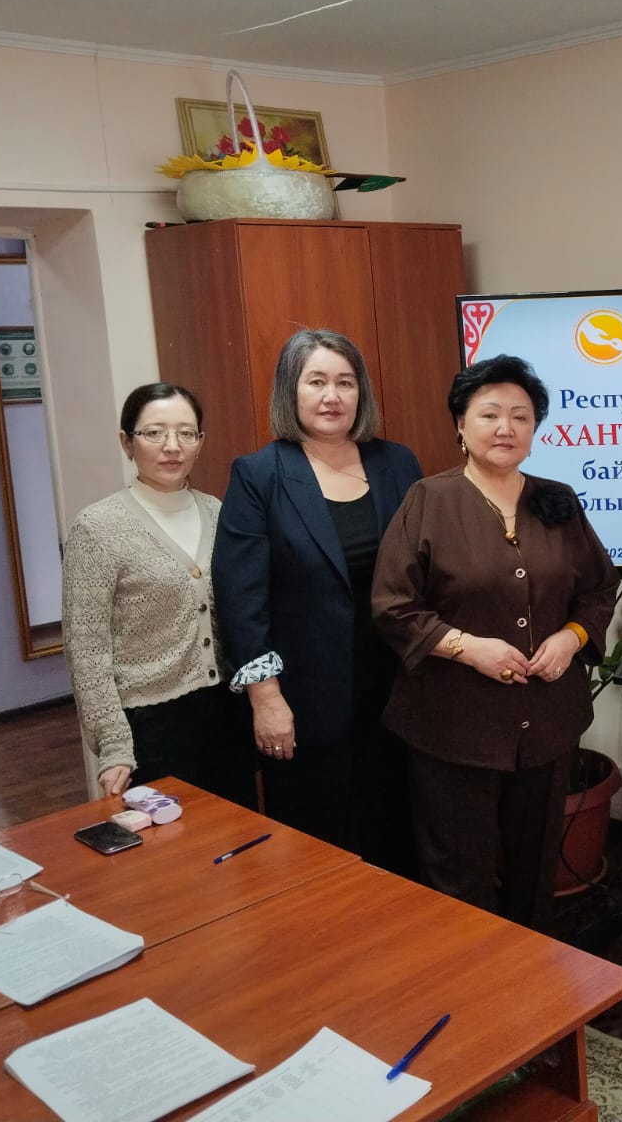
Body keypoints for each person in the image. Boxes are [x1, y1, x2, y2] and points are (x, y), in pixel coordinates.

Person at [372, 355, 617, 928]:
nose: (506, 428)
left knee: (535, 871)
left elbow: (599, 589)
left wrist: (571, 638)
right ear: (460, 423)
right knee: (460, 877)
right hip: (452, 726)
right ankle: (473, 975)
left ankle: (532, 971)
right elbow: (392, 606)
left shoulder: (557, 500)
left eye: (520, 416)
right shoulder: (428, 500)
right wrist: (465, 647)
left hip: (547, 722)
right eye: (489, 414)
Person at [214, 330, 422, 860]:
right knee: (317, 849)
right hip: (303, 703)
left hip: (396, 695)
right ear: (292, 390)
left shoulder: (397, 463)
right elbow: (241, 599)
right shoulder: (260, 474)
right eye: (317, 382)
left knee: (396, 839)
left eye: (346, 383)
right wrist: (266, 700)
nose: (332, 396)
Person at [63, 383, 253, 805]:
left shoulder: (219, 513)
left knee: (238, 836)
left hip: (226, 714)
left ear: (200, 442)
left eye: (186, 433)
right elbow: (87, 649)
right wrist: (113, 745)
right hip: (149, 725)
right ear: (126, 442)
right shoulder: (97, 528)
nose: (172, 446)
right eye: (154, 432)